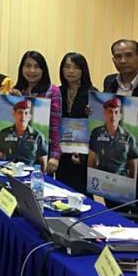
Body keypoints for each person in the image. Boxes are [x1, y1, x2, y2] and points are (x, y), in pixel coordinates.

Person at [103, 39, 138, 212]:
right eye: (118, 56)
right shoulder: (109, 82)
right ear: (113, 60)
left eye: (128, 55)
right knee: (113, 207)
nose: (123, 60)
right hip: (113, 154)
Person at [11, 51, 61, 174]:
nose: (32, 71)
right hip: (17, 152)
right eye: (28, 66)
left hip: (40, 152)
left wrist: (55, 156)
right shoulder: (17, 91)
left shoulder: (52, 91)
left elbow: (55, 126)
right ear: (22, 68)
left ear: (43, 70)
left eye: (37, 67)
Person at [57, 52, 97, 192]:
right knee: (61, 189)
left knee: (81, 192)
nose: (71, 71)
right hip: (61, 152)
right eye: (67, 67)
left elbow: (96, 128)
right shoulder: (57, 92)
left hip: (82, 154)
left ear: (83, 70)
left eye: (76, 67)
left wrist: (84, 155)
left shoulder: (92, 93)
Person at [87, 97, 138, 178]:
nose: (113, 116)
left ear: (120, 115)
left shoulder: (129, 138)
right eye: (110, 112)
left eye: (116, 112)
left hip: (121, 180)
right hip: (100, 179)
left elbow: (133, 168)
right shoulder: (96, 133)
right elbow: (92, 159)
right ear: (105, 114)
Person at [0, 99, 47, 170]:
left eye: (26, 113)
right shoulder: (4, 133)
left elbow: (43, 163)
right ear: (14, 114)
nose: (23, 116)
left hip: (29, 173)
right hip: (9, 171)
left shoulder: (38, 136)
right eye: (20, 112)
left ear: (30, 117)